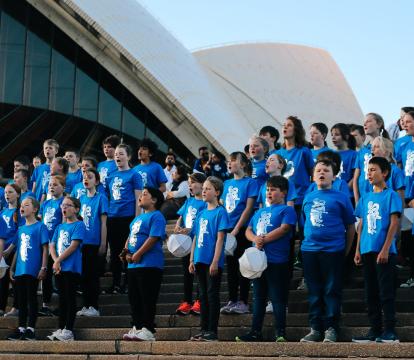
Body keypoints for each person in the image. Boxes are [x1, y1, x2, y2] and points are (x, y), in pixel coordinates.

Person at [236, 176, 296, 343]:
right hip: (258, 262)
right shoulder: (259, 212)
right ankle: (255, 331)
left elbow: (284, 229)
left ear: (283, 193)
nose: (269, 192)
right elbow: (248, 230)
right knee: (258, 298)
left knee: (277, 298)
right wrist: (255, 238)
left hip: (277, 261)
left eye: (274, 189)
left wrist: (263, 239)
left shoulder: (287, 210)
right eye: (268, 189)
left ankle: (280, 332)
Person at [300, 160, 355, 343]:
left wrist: (345, 251)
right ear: (313, 176)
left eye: (326, 170)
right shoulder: (308, 197)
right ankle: (315, 328)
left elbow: (350, 226)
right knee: (314, 290)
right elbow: (304, 223)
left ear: (333, 175)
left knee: (332, 290)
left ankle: (331, 327)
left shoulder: (341, 197)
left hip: (334, 250)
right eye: (318, 170)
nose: (322, 173)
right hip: (309, 250)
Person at [353, 157, 402, 343]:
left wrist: (386, 249)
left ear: (385, 173)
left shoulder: (391, 196)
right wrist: (357, 249)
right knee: (370, 292)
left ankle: (390, 330)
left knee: (386, 291)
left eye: (373, 170)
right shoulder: (365, 197)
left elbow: (394, 223)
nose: (369, 173)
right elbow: (361, 225)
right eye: (368, 170)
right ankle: (374, 330)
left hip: (385, 252)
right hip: (366, 250)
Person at [121, 187, 166, 341]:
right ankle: (137, 326)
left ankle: (148, 329)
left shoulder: (157, 216)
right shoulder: (137, 218)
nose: (141, 196)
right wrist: (126, 251)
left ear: (154, 200)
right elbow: (130, 236)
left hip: (150, 264)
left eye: (145, 194)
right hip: (133, 265)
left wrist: (138, 253)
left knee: (147, 297)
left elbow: (153, 237)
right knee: (134, 297)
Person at [189, 177, 229, 341]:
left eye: (208, 189)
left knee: (212, 295)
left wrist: (215, 261)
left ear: (217, 192)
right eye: (203, 188)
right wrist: (191, 259)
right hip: (199, 259)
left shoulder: (221, 212)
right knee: (203, 296)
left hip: (212, 261)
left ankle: (212, 331)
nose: (204, 191)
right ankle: (204, 329)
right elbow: (196, 236)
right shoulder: (201, 213)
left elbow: (220, 239)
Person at [220, 152, 258, 315]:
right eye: (229, 161)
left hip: (241, 229)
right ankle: (232, 299)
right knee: (231, 265)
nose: (230, 163)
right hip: (227, 229)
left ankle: (243, 301)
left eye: (234, 161)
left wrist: (236, 229)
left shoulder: (250, 182)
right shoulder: (227, 183)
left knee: (243, 264)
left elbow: (249, 208)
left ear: (243, 164)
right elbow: (222, 205)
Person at [7, 197, 48, 341]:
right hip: (19, 269)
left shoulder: (40, 226)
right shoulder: (21, 229)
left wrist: (43, 267)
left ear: (35, 209)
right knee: (21, 300)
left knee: (31, 298)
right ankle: (21, 328)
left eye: (26, 205)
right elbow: (17, 250)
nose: (22, 207)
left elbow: (45, 249)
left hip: (32, 269)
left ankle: (31, 329)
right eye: (21, 205)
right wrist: (11, 268)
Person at [105, 143, 142, 293]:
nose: (117, 157)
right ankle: (115, 283)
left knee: (127, 250)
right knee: (114, 252)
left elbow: (138, 198)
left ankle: (127, 283)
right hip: (113, 217)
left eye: (121, 154)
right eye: (116, 154)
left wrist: (137, 220)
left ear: (128, 157)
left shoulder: (134, 174)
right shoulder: (111, 176)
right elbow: (108, 197)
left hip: (128, 217)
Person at [47, 196, 85, 342]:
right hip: (59, 268)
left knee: (70, 298)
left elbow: (74, 245)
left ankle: (69, 330)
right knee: (62, 300)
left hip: (71, 268)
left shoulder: (79, 225)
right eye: (63, 205)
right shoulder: (59, 227)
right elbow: (51, 245)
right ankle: (61, 327)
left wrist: (57, 260)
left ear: (76, 209)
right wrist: (56, 261)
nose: (64, 208)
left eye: (68, 205)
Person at [174, 172, 207, 315]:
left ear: (202, 184)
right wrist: (177, 226)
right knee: (186, 273)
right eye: (188, 183)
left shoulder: (206, 203)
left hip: (199, 243)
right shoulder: (189, 201)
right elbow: (181, 217)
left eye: (193, 182)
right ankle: (187, 301)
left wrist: (191, 229)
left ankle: (199, 301)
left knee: (199, 272)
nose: (190, 186)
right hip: (186, 243)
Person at [77, 169, 108, 317]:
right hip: (81, 243)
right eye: (84, 177)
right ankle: (85, 305)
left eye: (90, 177)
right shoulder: (81, 199)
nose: (86, 179)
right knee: (83, 276)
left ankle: (94, 307)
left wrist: (103, 243)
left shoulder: (101, 198)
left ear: (96, 181)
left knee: (92, 275)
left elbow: (103, 223)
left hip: (94, 242)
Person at [38, 175, 65, 317]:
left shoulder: (63, 203)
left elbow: (63, 223)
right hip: (45, 243)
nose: (51, 187)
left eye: (55, 184)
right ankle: (45, 304)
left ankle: (62, 303)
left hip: (57, 244)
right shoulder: (45, 204)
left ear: (63, 187)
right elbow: (41, 223)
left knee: (58, 274)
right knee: (46, 274)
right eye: (50, 185)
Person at [353, 113, 389, 204]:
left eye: (368, 121)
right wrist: (357, 202)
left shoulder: (388, 145)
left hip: (383, 197)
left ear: (379, 124)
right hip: (364, 199)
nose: (365, 124)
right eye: (364, 122)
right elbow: (356, 178)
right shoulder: (362, 151)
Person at [0, 184, 22, 317]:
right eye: (6, 192)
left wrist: (10, 249)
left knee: (14, 279)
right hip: (3, 251)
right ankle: (1, 307)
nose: (7, 195)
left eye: (11, 192)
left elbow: (20, 232)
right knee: (2, 280)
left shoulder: (20, 212)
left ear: (18, 194)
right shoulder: (2, 212)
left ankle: (16, 307)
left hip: (15, 250)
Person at [371, 137, 404, 202]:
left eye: (377, 147)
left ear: (386, 152)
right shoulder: (372, 171)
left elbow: (400, 198)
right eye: (372, 147)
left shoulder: (395, 171)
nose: (372, 149)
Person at [331, 123, 357, 189]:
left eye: (337, 135)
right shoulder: (330, 154)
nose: (333, 137)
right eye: (332, 135)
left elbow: (356, 176)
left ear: (346, 136)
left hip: (347, 194)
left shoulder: (354, 155)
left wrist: (345, 188)